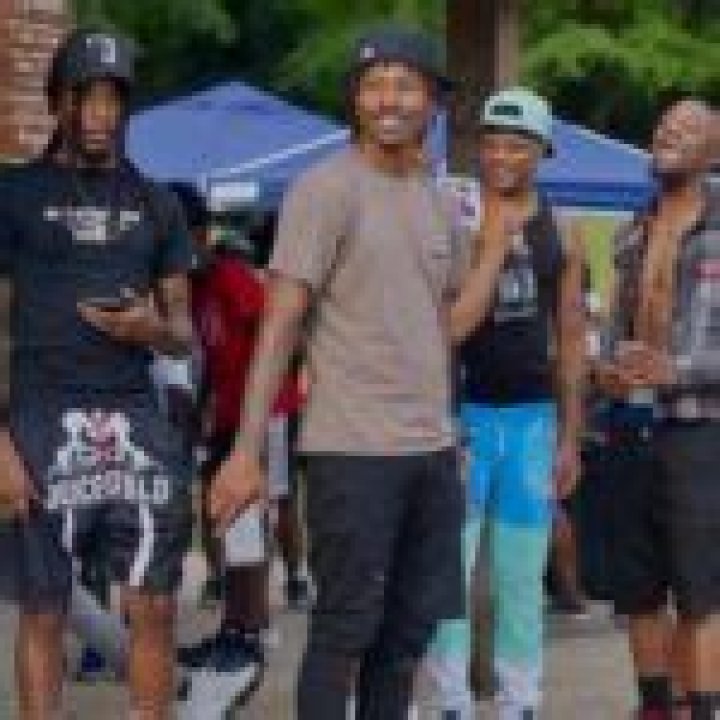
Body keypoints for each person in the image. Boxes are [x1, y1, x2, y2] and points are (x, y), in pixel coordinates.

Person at [208, 24, 464, 720]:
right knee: (346, 628)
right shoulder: (324, 190)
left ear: (433, 100)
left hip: (431, 451)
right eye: (373, 85)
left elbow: (437, 327)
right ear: (355, 99)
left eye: (405, 85)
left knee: (406, 637)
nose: (389, 99)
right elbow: (279, 325)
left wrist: (452, 430)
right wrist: (245, 452)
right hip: (352, 450)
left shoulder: (442, 201)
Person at [0, 29, 195, 720]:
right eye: (84, 98)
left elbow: (184, 335)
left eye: (112, 100)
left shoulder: (158, 203)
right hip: (39, 416)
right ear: (57, 102)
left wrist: (151, 330)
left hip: (135, 413)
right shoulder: (13, 195)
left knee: (156, 603)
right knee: (44, 608)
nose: (98, 115)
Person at [424, 88, 585, 720]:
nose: (501, 157)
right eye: (491, 144)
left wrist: (570, 437)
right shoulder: (453, 210)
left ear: (543, 151)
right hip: (458, 416)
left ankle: (520, 700)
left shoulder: (562, 228)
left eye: (517, 146)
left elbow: (569, 336)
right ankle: (451, 701)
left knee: (521, 573)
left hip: (531, 422)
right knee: (449, 570)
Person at [593, 99, 720, 720]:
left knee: (701, 592)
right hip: (631, 424)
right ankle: (654, 711)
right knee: (638, 592)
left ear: (714, 152)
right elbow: (617, 332)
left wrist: (677, 371)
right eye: (665, 126)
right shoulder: (632, 231)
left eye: (688, 129)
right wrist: (606, 370)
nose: (670, 133)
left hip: (702, 429)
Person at [178, 204, 308, 719]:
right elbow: (213, 357)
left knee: (253, 516)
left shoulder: (231, 276)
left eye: (184, 234)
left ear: (201, 234)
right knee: (227, 516)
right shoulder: (196, 287)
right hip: (230, 416)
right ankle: (236, 625)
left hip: (267, 413)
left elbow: (277, 334)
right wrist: (204, 408)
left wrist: (270, 403)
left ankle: (251, 629)